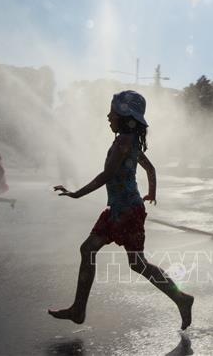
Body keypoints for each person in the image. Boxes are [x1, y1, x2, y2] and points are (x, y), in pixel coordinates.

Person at [48, 90, 194, 330]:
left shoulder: (124, 143)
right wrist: (152, 193)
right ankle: (78, 309)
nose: (108, 116)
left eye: (112, 112)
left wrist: (76, 193)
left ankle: (181, 298)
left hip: (126, 213)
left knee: (130, 261)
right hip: (123, 209)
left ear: (125, 116)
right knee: (97, 252)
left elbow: (107, 175)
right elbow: (151, 170)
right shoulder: (130, 142)